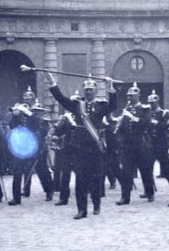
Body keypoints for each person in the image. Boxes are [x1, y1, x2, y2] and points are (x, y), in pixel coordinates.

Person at [46, 72, 117, 219]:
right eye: (87, 90)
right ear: (84, 91)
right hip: (79, 146)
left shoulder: (101, 105)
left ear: (95, 91)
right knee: (80, 178)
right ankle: (82, 209)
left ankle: (96, 203)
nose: (89, 92)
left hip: (95, 145)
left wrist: (110, 87)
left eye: (91, 89)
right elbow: (61, 99)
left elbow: (114, 106)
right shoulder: (78, 105)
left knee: (96, 177)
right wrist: (52, 82)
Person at [7, 88, 52, 205]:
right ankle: (16, 198)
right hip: (22, 145)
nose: (26, 101)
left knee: (42, 170)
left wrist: (26, 112)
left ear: (33, 99)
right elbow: (12, 126)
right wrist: (15, 115)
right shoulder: (21, 111)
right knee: (17, 170)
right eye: (25, 99)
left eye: (29, 99)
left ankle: (49, 191)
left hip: (37, 145)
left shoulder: (38, 111)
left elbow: (39, 123)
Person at [115, 83, 155, 205]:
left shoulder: (145, 109)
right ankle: (125, 197)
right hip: (128, 145)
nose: (130, 98)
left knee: (145, 170)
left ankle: (150, 192)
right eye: (128, 96)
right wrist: (119, 136)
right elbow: (122, 128)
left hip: (141, 143)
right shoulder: (126, 110)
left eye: (132, 96)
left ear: (138, 96)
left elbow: (146, 124)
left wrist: (132, 117)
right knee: (126, 172)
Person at [147, 90, 169, 191]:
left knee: (166, 169)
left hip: (161, 144)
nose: (151, 105)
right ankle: (149, 190)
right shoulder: (148, 113)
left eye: (152, 103)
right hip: (150, 144)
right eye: (149, 103)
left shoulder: (164, 113)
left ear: (157, 102)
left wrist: (155, 122)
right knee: (148, 168)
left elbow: (166, 126)